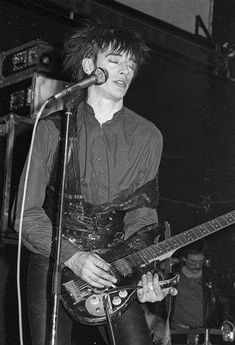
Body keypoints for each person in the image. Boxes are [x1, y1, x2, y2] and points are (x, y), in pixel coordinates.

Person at [14, 23, 177, 345]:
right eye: (115, 60)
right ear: (89, 66)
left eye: (131, 65)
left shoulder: (148, 135)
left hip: (114, 262)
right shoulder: (52, 128)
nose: (125, 72)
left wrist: (143, 271)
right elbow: (25, 214)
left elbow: (142, 216)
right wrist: (73, 257)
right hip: (55, 260)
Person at [146, 241, 234, 344]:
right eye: (192, 261)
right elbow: (158, 304)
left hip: (205, 334)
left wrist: (226, 322)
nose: (197, 265)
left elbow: (225, 303)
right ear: (183, 259)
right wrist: (159, 323)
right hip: (176, 334)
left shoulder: (213, 278)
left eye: (201, 261)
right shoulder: (170, 276)